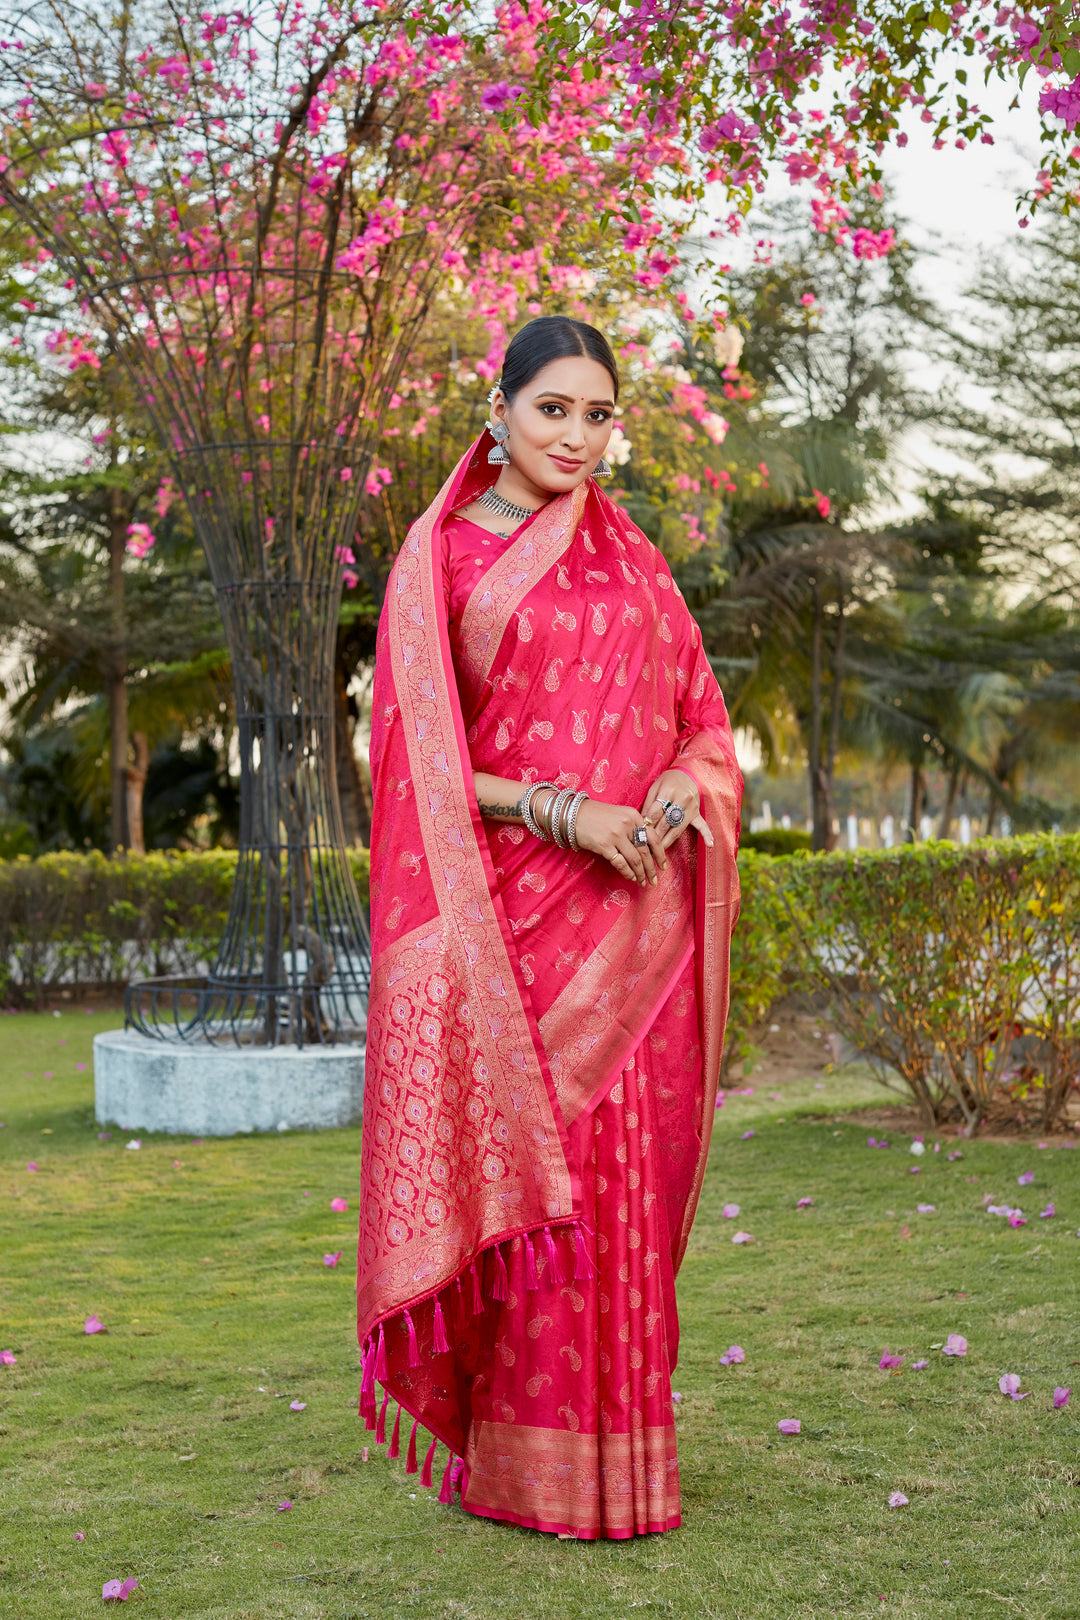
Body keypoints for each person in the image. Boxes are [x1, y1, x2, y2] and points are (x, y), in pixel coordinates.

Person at [357, 315, 742, 1539]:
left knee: (619, 1188)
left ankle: (624, 1464)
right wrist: (564, 812)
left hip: (638, 912)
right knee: (538, 1191)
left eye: (595, 413)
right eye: (552, 410)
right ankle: (527, 1471)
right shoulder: (441, 564)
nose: (575, 435)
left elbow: (701, 719)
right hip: (514, 922)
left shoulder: (630, 555)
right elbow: (416, 761)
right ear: (500, 409)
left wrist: (683, 789)